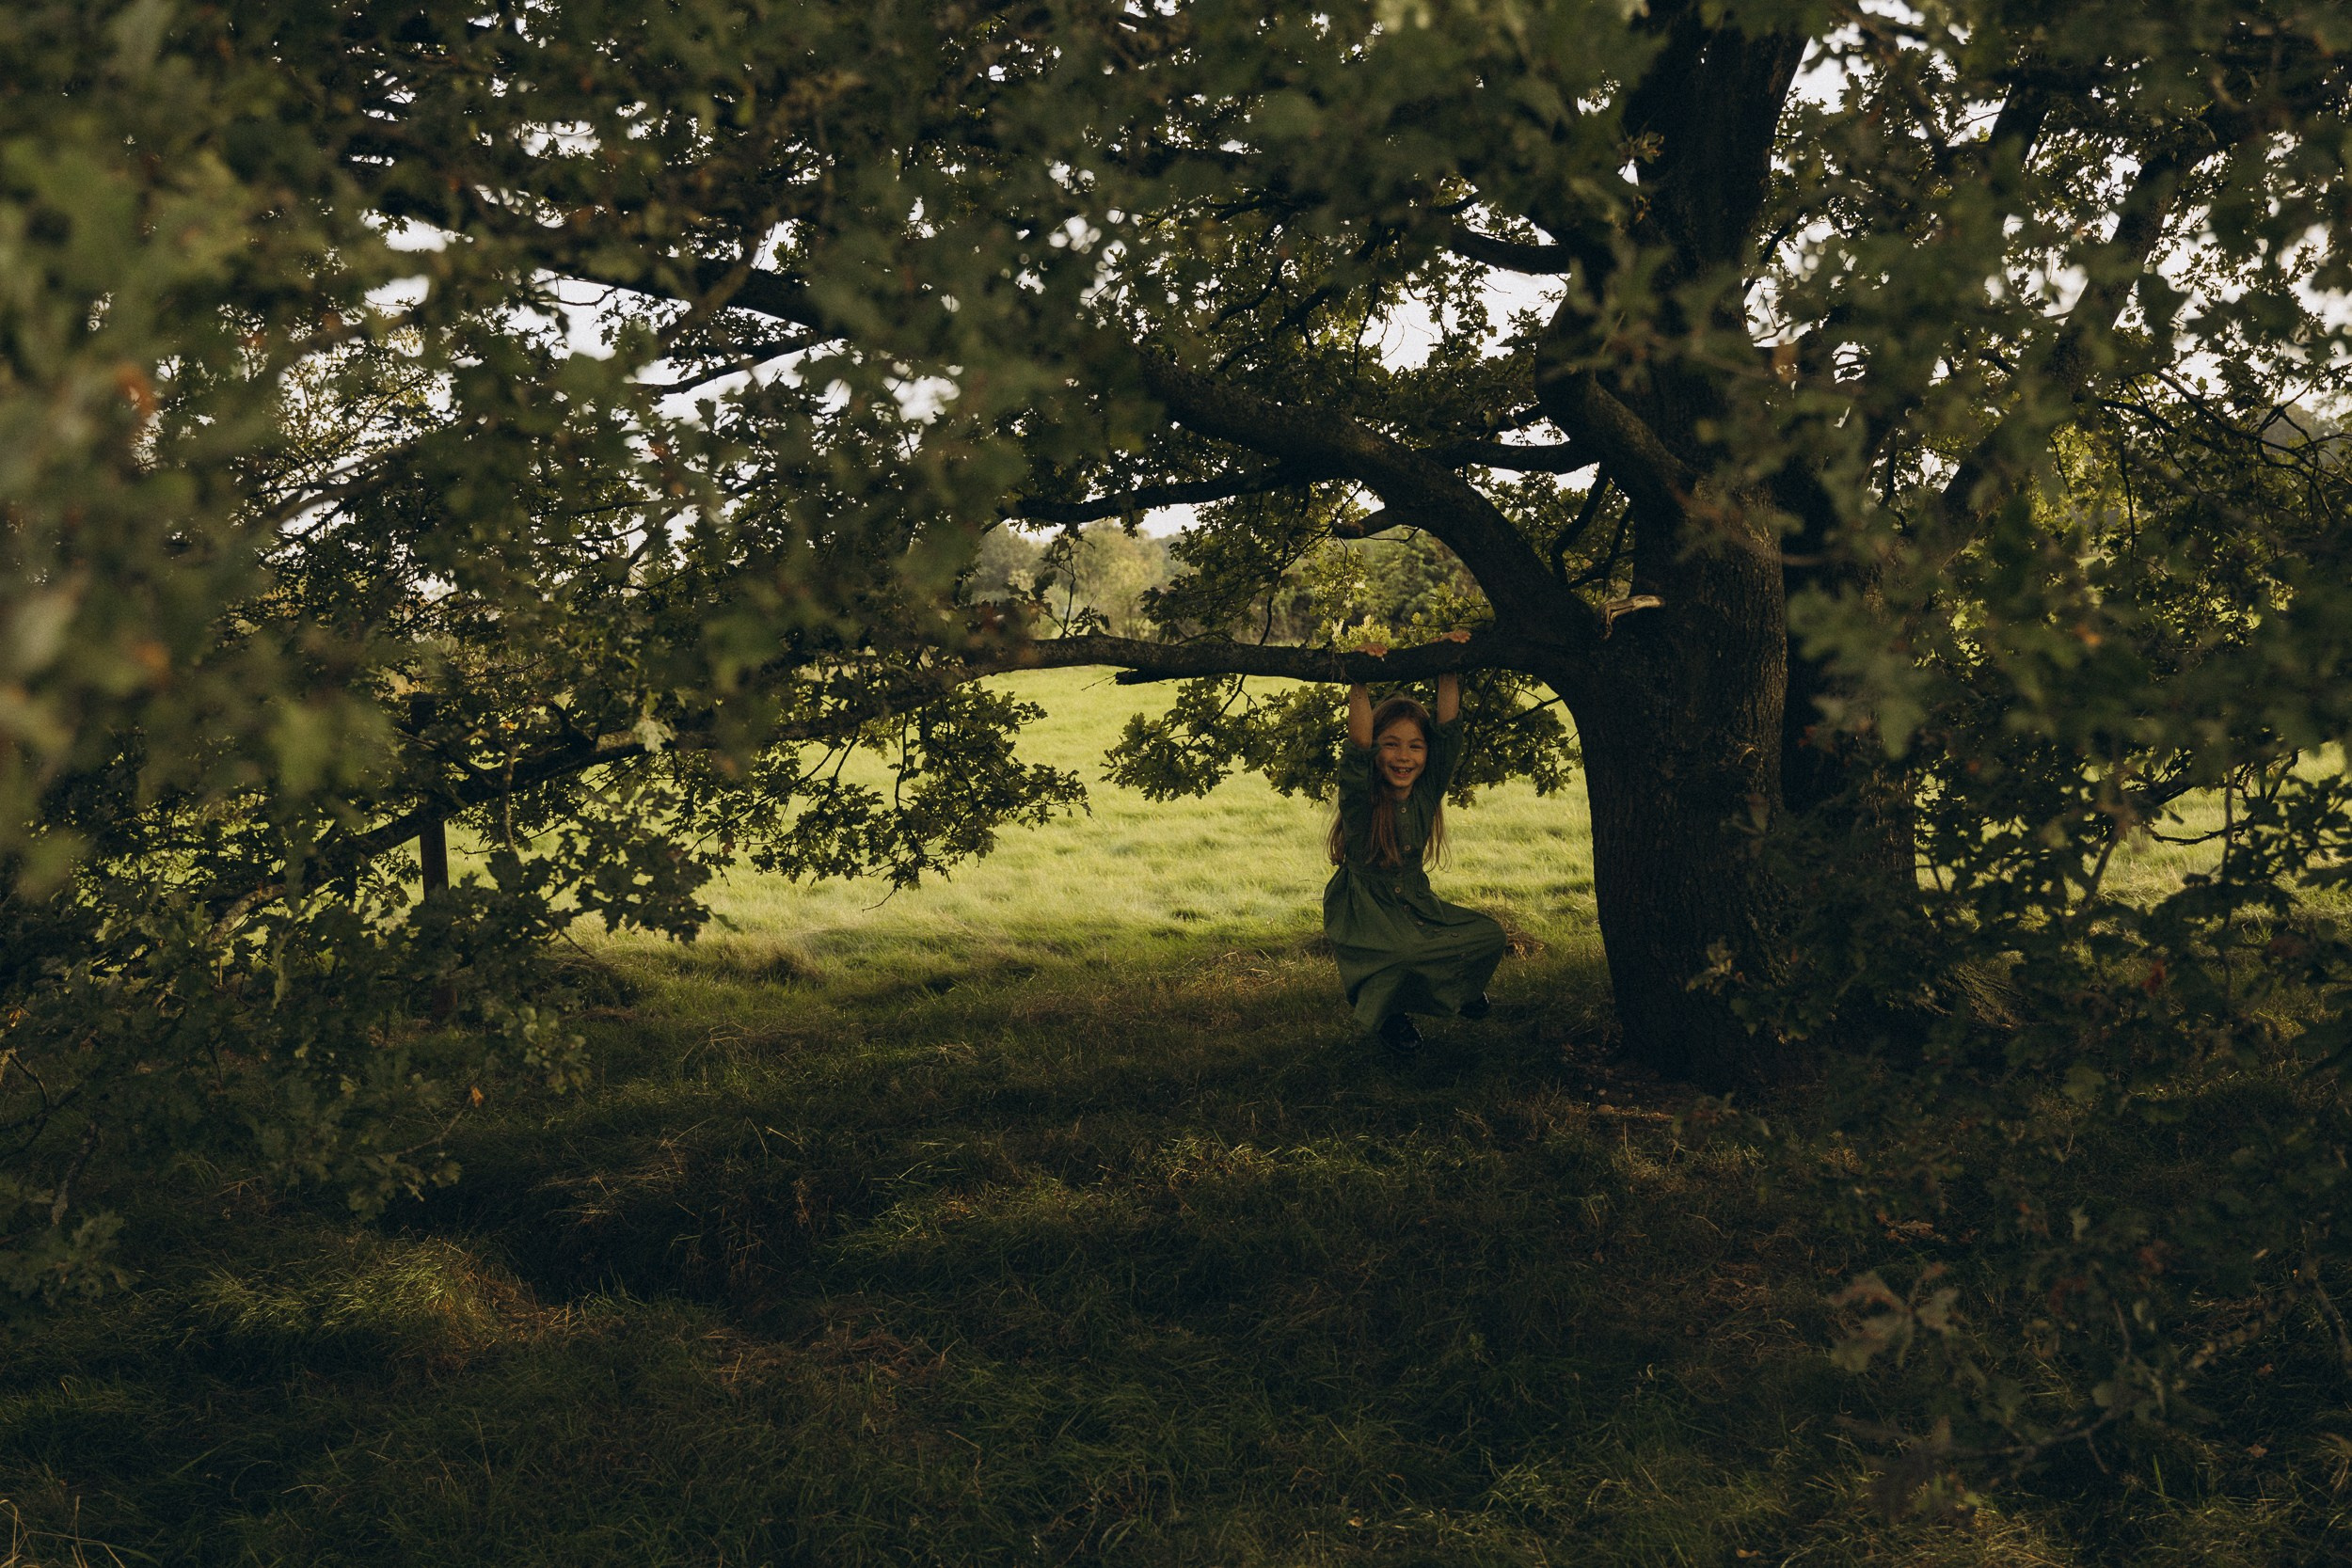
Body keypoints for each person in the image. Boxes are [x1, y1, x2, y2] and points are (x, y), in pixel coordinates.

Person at [1324, 634, 1508, 1053]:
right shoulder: (1362, 800)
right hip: (1366, 905)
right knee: (1401, 956)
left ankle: (1458, 991)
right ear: (1376, 752)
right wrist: (1359, 678)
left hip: (1413, 898)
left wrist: (1448, 662)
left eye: (1414, 746)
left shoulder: (1427, 793)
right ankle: (1390, 1018)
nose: (1403, 756)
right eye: (1390, 745)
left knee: (1489, 936)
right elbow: (1357, 745)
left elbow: (1447, 731)